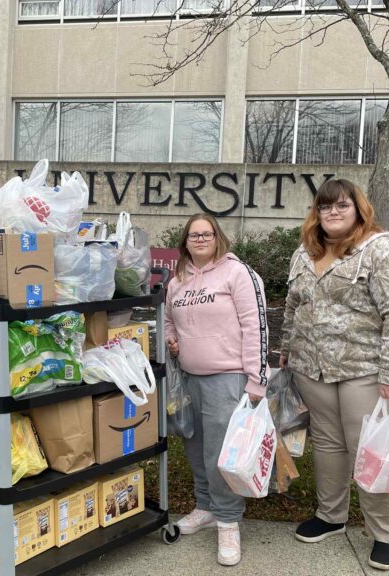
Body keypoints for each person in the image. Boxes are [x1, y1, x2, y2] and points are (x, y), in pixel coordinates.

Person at [279, 178, 389, 571]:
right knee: (327, 445)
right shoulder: (304, 253)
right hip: (312, 369)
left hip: (364, 372)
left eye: (342, 206)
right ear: (316, 214)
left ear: (358, 209)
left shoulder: (379, 252)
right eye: (325, 207)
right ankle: (331, 516)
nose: (333, 213)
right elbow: (293, 306)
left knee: (369, 452)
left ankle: (385, 534)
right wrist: (286, 351)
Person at [164, 213, 269, 567]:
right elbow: (167, 320)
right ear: (185, 242)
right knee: (195, 446)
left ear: (217, 237)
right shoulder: (177, 279)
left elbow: (256, 327)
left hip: (228, 377)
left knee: (222, 454)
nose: (200, 239)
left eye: (206, 233)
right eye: (193, 235)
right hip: (190, 376)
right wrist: (171, 338)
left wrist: (257, 379)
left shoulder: (238, 274)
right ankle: (205, 506)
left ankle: (228, 521)